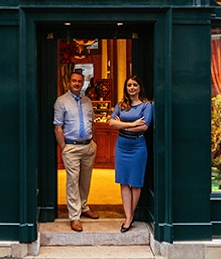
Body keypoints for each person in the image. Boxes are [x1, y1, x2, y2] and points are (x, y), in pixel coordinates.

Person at [54, 70, 99, 232]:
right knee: (73, 181)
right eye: (74, 81)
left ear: (83, 83)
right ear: (69, 83)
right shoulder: (61, 101)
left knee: (85, 180)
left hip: (88, 146)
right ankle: (74, 216)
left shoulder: (88, 101)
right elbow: (58, 127)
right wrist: (64, 148)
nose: (77, 83)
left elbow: (92, 122)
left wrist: (94, 142)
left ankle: (84, 206)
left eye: (79, 81)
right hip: (71, 147)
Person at [109, 75, 153, 233]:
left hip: (138, 146)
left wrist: (123, 126)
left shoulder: (146, 106)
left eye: (135, 85)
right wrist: (132, 123)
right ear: (126, 88)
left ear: (140, 87)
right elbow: (111, 122)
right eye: (129, 85)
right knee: (123, 181)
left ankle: (130, 217)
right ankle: (128, 216)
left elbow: (144, 127)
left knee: (135, 183)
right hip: (121, 146)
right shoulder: (121, 105)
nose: (132, 88)